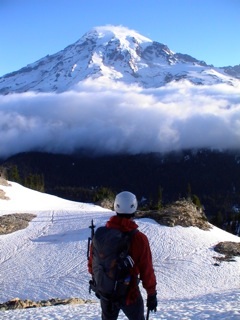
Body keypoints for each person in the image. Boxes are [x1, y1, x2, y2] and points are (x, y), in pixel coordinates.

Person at [88, 191, 157, 320]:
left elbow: (92, 262)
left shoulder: (102, 235)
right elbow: (146, 270)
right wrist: (151, 294)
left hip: (106, 292)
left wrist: (103, 281)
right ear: (134, 208)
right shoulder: (138, 238)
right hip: (129, 294)